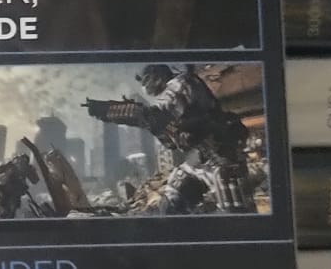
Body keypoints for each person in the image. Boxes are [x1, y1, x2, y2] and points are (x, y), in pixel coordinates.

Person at [85, 63, 253, 213]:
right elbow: (165, 127)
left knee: (235, 213)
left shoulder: (181, 84)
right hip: (197, 159)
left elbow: (155, 115)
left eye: (146, 81)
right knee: (171, 202)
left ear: (157, 77)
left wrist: (109, 110)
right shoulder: (175, 91)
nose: (144, 87)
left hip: (221, 159)